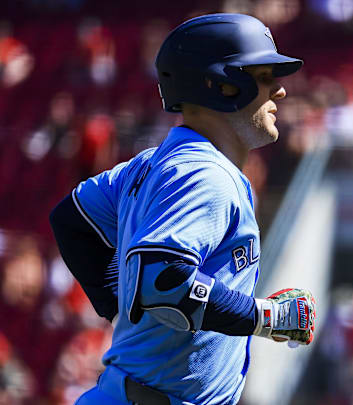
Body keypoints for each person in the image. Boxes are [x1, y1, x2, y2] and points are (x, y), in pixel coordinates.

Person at [48, 13, 317, 405]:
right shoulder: (204, 174)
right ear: (221, 84)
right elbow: (163, 280)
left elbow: (70, 220)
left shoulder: (152, 163)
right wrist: (267, 318)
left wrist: (119, 307)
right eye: (262, 77)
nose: (279, 92)